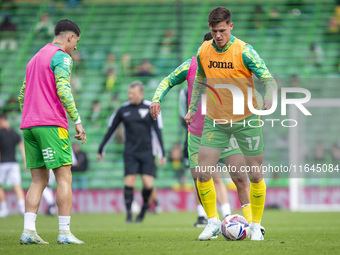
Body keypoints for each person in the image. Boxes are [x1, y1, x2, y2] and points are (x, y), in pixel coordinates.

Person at [150, 32, 262, 232]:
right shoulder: (191, 65)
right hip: (198, 133)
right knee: (200, 177)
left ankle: (253, 224)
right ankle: (212, 222)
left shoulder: (230, 64)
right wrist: (157, 98)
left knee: (239, 177)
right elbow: (167, 80)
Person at [184, 7, 277, 241]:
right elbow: (201, 80)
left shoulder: (245, 51)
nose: (218, 36)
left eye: (222, 30)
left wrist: (268, 96)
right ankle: (213, 222)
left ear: (231, 27)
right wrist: (193, 107)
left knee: (254, 175)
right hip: (216, 121)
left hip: (246, 120)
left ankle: (255, 225)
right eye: (214, 31)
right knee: (202, 173)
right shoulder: (204, 50)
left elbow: (268, 78)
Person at [18, 19, 86, 245]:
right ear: (69, 37)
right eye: (76, 41)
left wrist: (31, 117)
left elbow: (22, 95)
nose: (75, 47)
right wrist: (76, 120)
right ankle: (64, 232)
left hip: (29, 125)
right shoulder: (62, 57)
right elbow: (63, 90)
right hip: (50, 124)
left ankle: (28, 231)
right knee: (64, 177)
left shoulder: (34, 59)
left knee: (38, 180)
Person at [97, 81, 166, 223]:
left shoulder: (151, 108)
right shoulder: (123, 110)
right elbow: (111, 129)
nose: (130, 95)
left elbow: (158, 131)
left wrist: (162, 153)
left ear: (141, 94)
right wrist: (101, 148)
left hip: (147, 153)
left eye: (133, 93)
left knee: (148, 184)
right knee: (129, 182)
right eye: (129, 93)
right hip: (130, 153)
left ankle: (143, 210)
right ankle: (128, 214)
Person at [0, 112, 26, 218]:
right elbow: (22, 147)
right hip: (14, 163)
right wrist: (25, 161)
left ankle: (4, 208)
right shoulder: (15, 133)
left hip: (3, 164)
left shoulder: (0, 134)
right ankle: (22, 208)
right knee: (17, 186)